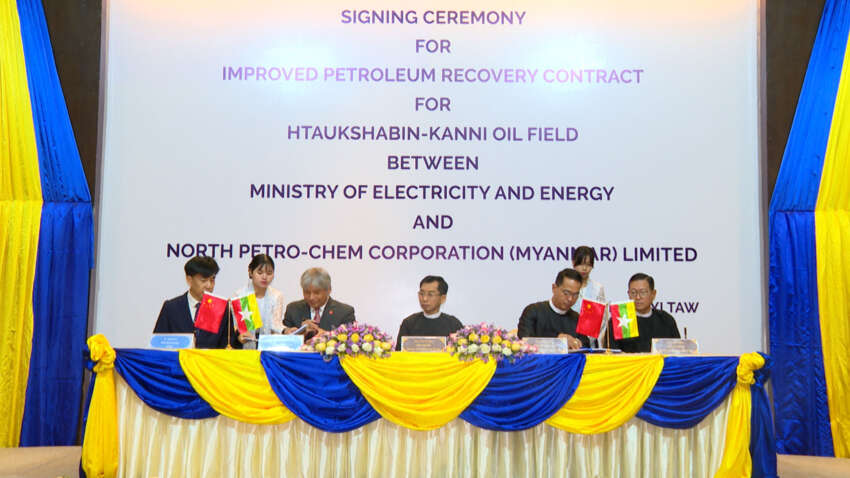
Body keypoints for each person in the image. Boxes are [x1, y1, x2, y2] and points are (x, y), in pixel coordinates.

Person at [153, 256, 240, 349]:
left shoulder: (221, 309)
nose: (209, 285)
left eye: (212, 280)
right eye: (203, 280)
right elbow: (157, 344)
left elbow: (228, 346)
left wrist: (239, 340)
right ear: (189, 279)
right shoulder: (171, 308)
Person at [516, 268, 589, 350]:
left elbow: (586, 347)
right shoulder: (533, 311)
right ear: (554, 288)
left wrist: (577, 343)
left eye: (575, 295)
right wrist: (557, 340)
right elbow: (525, 342)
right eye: (566, 293)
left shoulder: (577, 318)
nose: (570, 299)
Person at [612, 273, 680, 353]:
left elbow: (677, 352)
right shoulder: (620, 319)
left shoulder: (666, 320)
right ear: (628, 294)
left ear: (653, 294)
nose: (638, 297)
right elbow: (611, 354)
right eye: (633, 292)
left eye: (643, 292)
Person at [395, 275, 463, 351]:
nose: (424, 299)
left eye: (430, 294)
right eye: (422, 294)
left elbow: (462, 353)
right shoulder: (409, 323)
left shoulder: (453, 324)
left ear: (443, 298)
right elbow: (398, 353)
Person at [283, 267, 355, 338]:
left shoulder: (345, 312)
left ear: (329, 290)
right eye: (307, 292)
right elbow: (283, 340)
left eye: (316, 293)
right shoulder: (293, 309)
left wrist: (326, 335)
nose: (311, 297)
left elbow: (349, 341)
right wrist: (300, 332)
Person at [233, 254, 285, 349]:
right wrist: (240, 335)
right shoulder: (241, 295)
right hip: (244, 348)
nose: (264, 277)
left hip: (269, 347)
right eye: (260, 272)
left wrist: (286, 330)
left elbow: (276, 324)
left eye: (269, 273)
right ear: (250, 272)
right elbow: (234, 326)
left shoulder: (277, 296)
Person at [571, 246, 606, 347]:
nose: (584, 268)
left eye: (588, 265)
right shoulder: (567, 286)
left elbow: (602, 319)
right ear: (573, 262)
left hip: (589, 342)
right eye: (581, 264)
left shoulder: (597, 288)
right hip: (569, 337)